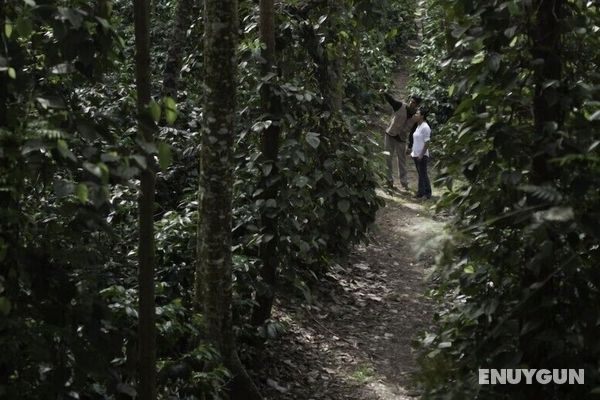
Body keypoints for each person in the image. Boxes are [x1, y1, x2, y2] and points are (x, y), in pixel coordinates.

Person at [383, 93, 421, 190]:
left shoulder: (416, 117)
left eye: (414, 103)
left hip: (401, 139)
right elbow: (391, 100)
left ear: (417, 105)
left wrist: (410, 145)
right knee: (388, 158)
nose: (412, 103)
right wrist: (384, 92)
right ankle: (389, 181)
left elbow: (413, 132)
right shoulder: (400, 106)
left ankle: (404, 183)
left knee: (402, 161)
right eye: (411, 101)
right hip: (390, 135)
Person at [410, 108, 432, 199]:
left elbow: (427, 142)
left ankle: (427, 193)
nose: (415, 115)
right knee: (420, 173)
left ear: (422, 116)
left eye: (417, 113)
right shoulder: (418, 126)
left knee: (423, 174)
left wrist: (421, 154)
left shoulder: (425, 127)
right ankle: (420, 192)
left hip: (422, 155)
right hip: (416, 154)